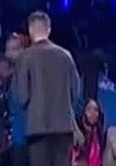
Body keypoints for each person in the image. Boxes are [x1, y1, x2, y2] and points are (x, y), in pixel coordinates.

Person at [13, 11, 81, 166]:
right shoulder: (66, 56)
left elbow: (22, 97)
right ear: (49, 29)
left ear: (30, 31)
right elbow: (76, 93)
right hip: (64, 128)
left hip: (37, 129)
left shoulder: (25, 58)